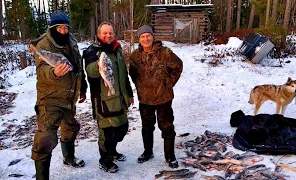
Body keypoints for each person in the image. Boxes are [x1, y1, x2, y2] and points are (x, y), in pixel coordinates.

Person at [30, 10, 87, 180]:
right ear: (52, 28)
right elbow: (42, 71)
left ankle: (69, 158)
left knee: (70, 128)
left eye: (66, 28)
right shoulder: (43, 45)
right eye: (59, 28)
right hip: (50, 99)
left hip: (69, 97)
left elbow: (79, 68)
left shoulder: (72, 43)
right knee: (45, 139)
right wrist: (54, 72)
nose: (63, 31)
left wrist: (82, 87)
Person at [129, 25, 183, 168]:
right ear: (139, 39)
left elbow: (178, 66)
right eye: (142, 37)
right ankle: (148, 152)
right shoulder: (135, 56)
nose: (145, 39)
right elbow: (132, 74)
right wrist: (141, 86)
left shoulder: (165, 52)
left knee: (167, 126)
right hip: (145, 99)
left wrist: (169, 83)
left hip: (163, 98)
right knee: (147, 127)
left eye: (148, 36)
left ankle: (170, 156)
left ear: (153, 37)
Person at [83, 22, 134, 173]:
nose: (108, 35)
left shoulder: (117, 49)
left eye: (110, 33)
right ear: (99, 34)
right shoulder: (92, 51)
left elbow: (123, 74)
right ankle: (105, 160)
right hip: (103, 102)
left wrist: (130, 94)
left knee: (122, 129)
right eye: (104, 33)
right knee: (107, 133)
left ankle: (112, 151)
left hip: (120, 98)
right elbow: (90, 72)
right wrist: (99, 65)